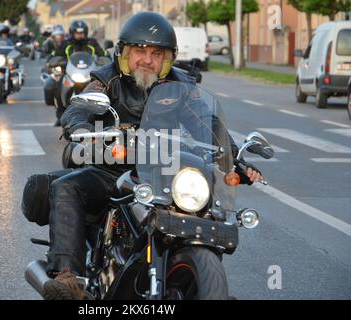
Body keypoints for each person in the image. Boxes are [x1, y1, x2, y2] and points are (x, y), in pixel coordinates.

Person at [23, 12, 262, 300]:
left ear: (167, 58)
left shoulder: (182, 87)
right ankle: (68, 276)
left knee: (205, 206)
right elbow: (77, 109)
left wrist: (234, 158)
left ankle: (201, 282)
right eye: (140, 51)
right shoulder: (106, 80)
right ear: (125, 53)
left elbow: (208, 124)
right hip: (112, 169)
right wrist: (82, 126)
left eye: (156, 53)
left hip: (166, 172)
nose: (147, 59)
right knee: (67, 186)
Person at [50, 20, 110, 126]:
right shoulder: (66, 44)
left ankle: (103, 115)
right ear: (72, 33)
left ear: (85, 33)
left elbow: (102, 53)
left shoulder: (91, 43)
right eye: (77, 33)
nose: (79, 35)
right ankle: (60, 115)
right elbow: (55, 54)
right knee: (58, 87)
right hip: (70, 74)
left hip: (89, 74)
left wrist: (105, 58)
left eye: (81, 33)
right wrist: (57, 60)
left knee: (105, 88)